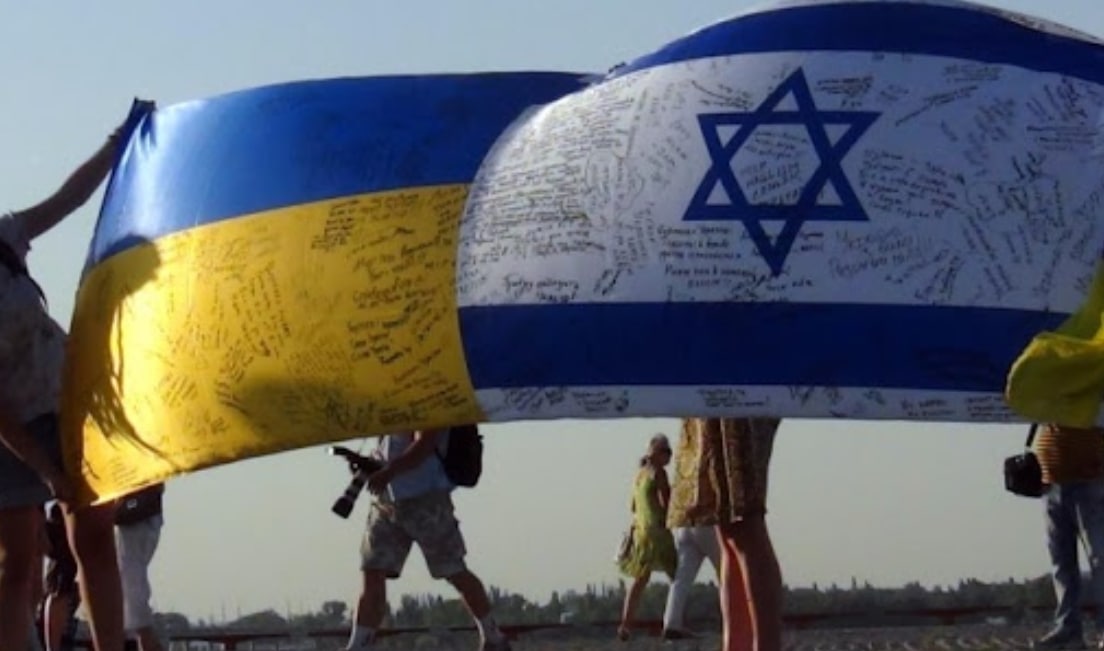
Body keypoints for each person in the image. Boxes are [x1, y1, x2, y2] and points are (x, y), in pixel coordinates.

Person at [0, 106, 145, 651]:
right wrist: (45, 471)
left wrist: (116, 143)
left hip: (67, 401)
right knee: (18, 563)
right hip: (9, 430)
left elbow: (68, 199)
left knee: (94, 535)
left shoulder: (5, 236)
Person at [344, 429, 510, 651]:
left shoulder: (425, 408)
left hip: (426, 499)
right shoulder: (389, 411)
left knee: (453, 570)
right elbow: (393, 447)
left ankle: (493, 636)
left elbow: (424, 444)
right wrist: (370, 465)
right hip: (387, 502)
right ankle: (358, 645)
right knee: (373, 571)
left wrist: (389, 472)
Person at [677, 417, 783, 651]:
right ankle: (737, 644)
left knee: (743, 521)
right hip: (712, 409)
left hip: (740, 407)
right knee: (725, 524)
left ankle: (763, 644)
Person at [1031, 424, 1104, 650]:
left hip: (1088, 482)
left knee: (1099, 558)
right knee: (1061, 563)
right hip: (1051, 483)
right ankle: (1068, 629)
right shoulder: (1047, 405)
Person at [616, 433, 677, 641]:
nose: (669, 456)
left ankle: (626, 624)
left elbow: (633, 506)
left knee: (640, 579)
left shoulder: (639, 475)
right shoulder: (658, 473)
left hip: (641, 533)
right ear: (657, 453)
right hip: (657, 530)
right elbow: (667, 503)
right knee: (678, 575)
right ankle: (675, 620)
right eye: (666, 451)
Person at [662, 431, 721, 640]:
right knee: (727, 572)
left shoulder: (684, 454)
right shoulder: (711, 449)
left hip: (683, 520)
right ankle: (736, 620)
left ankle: (672, 622)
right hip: (707, 518)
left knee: (681, 578)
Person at [115, 483, 165, 651]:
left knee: (131, 582)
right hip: (142, 512)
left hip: (138, 513)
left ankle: (143, 637)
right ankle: (137, 637)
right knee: (128, 583)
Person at [41, 501, 81, 651]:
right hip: (62, 506)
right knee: (61, 582)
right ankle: (53, 645)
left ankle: (62, 639)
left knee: (75, 579)